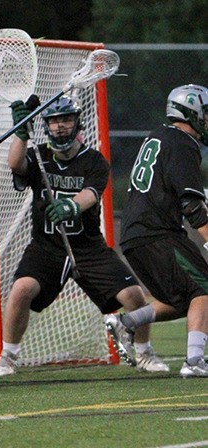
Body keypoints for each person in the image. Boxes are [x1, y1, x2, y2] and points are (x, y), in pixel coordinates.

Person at [0, 94, 169, 376]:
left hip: (88, 247)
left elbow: (91, 193)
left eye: (65, 119)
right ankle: (8, 356)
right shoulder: (39, 155)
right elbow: (15, 165)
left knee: (134, 295)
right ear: (46, 126)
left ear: (77, 122)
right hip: (46, 247)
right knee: (20, 291)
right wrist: (21, 134)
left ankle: (145, 352)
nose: (60, 126)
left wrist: (71, 205)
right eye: (53, 121)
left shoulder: (95, 161)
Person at [109, 84, 208, 378]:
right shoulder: (182, 143)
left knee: (182, 299)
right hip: (158, 233)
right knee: (203, 287)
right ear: (191, 112)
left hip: (135, 235)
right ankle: (194, 361)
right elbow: (191, 202)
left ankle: (126, 323)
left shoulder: (159, 136)